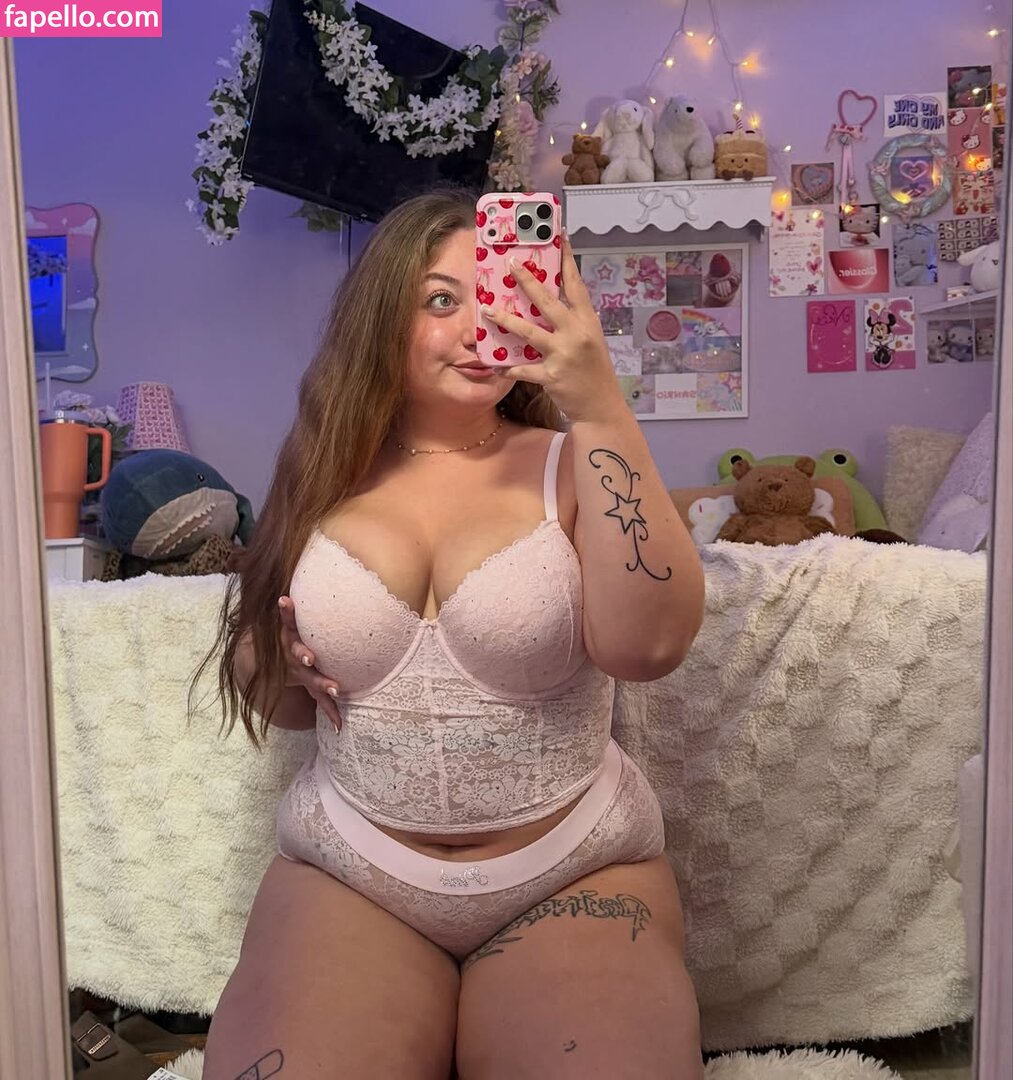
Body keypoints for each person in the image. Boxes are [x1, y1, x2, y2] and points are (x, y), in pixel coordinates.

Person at [201, 188, 706, 1080]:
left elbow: (648, 650)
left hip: (574, 872)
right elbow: (281, 704)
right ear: (378, 321)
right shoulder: (319, 469)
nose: (480, 327)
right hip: (350, 873)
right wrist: (272, 657)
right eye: (441, 300)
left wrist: (599, 406)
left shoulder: (572, 461)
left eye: (503, 295)